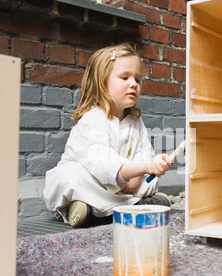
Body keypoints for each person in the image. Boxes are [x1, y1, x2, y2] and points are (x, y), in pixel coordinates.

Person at [43, 43, 174, 228]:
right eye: (124, 77)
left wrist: (140, 175)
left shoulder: (136, 121)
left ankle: (97, 211)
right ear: (102, 82)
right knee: (69, 177)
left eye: (138, 79)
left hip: (126, 185)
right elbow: (102, 163)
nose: (134, 84)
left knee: (149, 180)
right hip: (96, 182)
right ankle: (93, 207)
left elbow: (143, 152)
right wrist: (145, 166)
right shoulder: (93, 119)